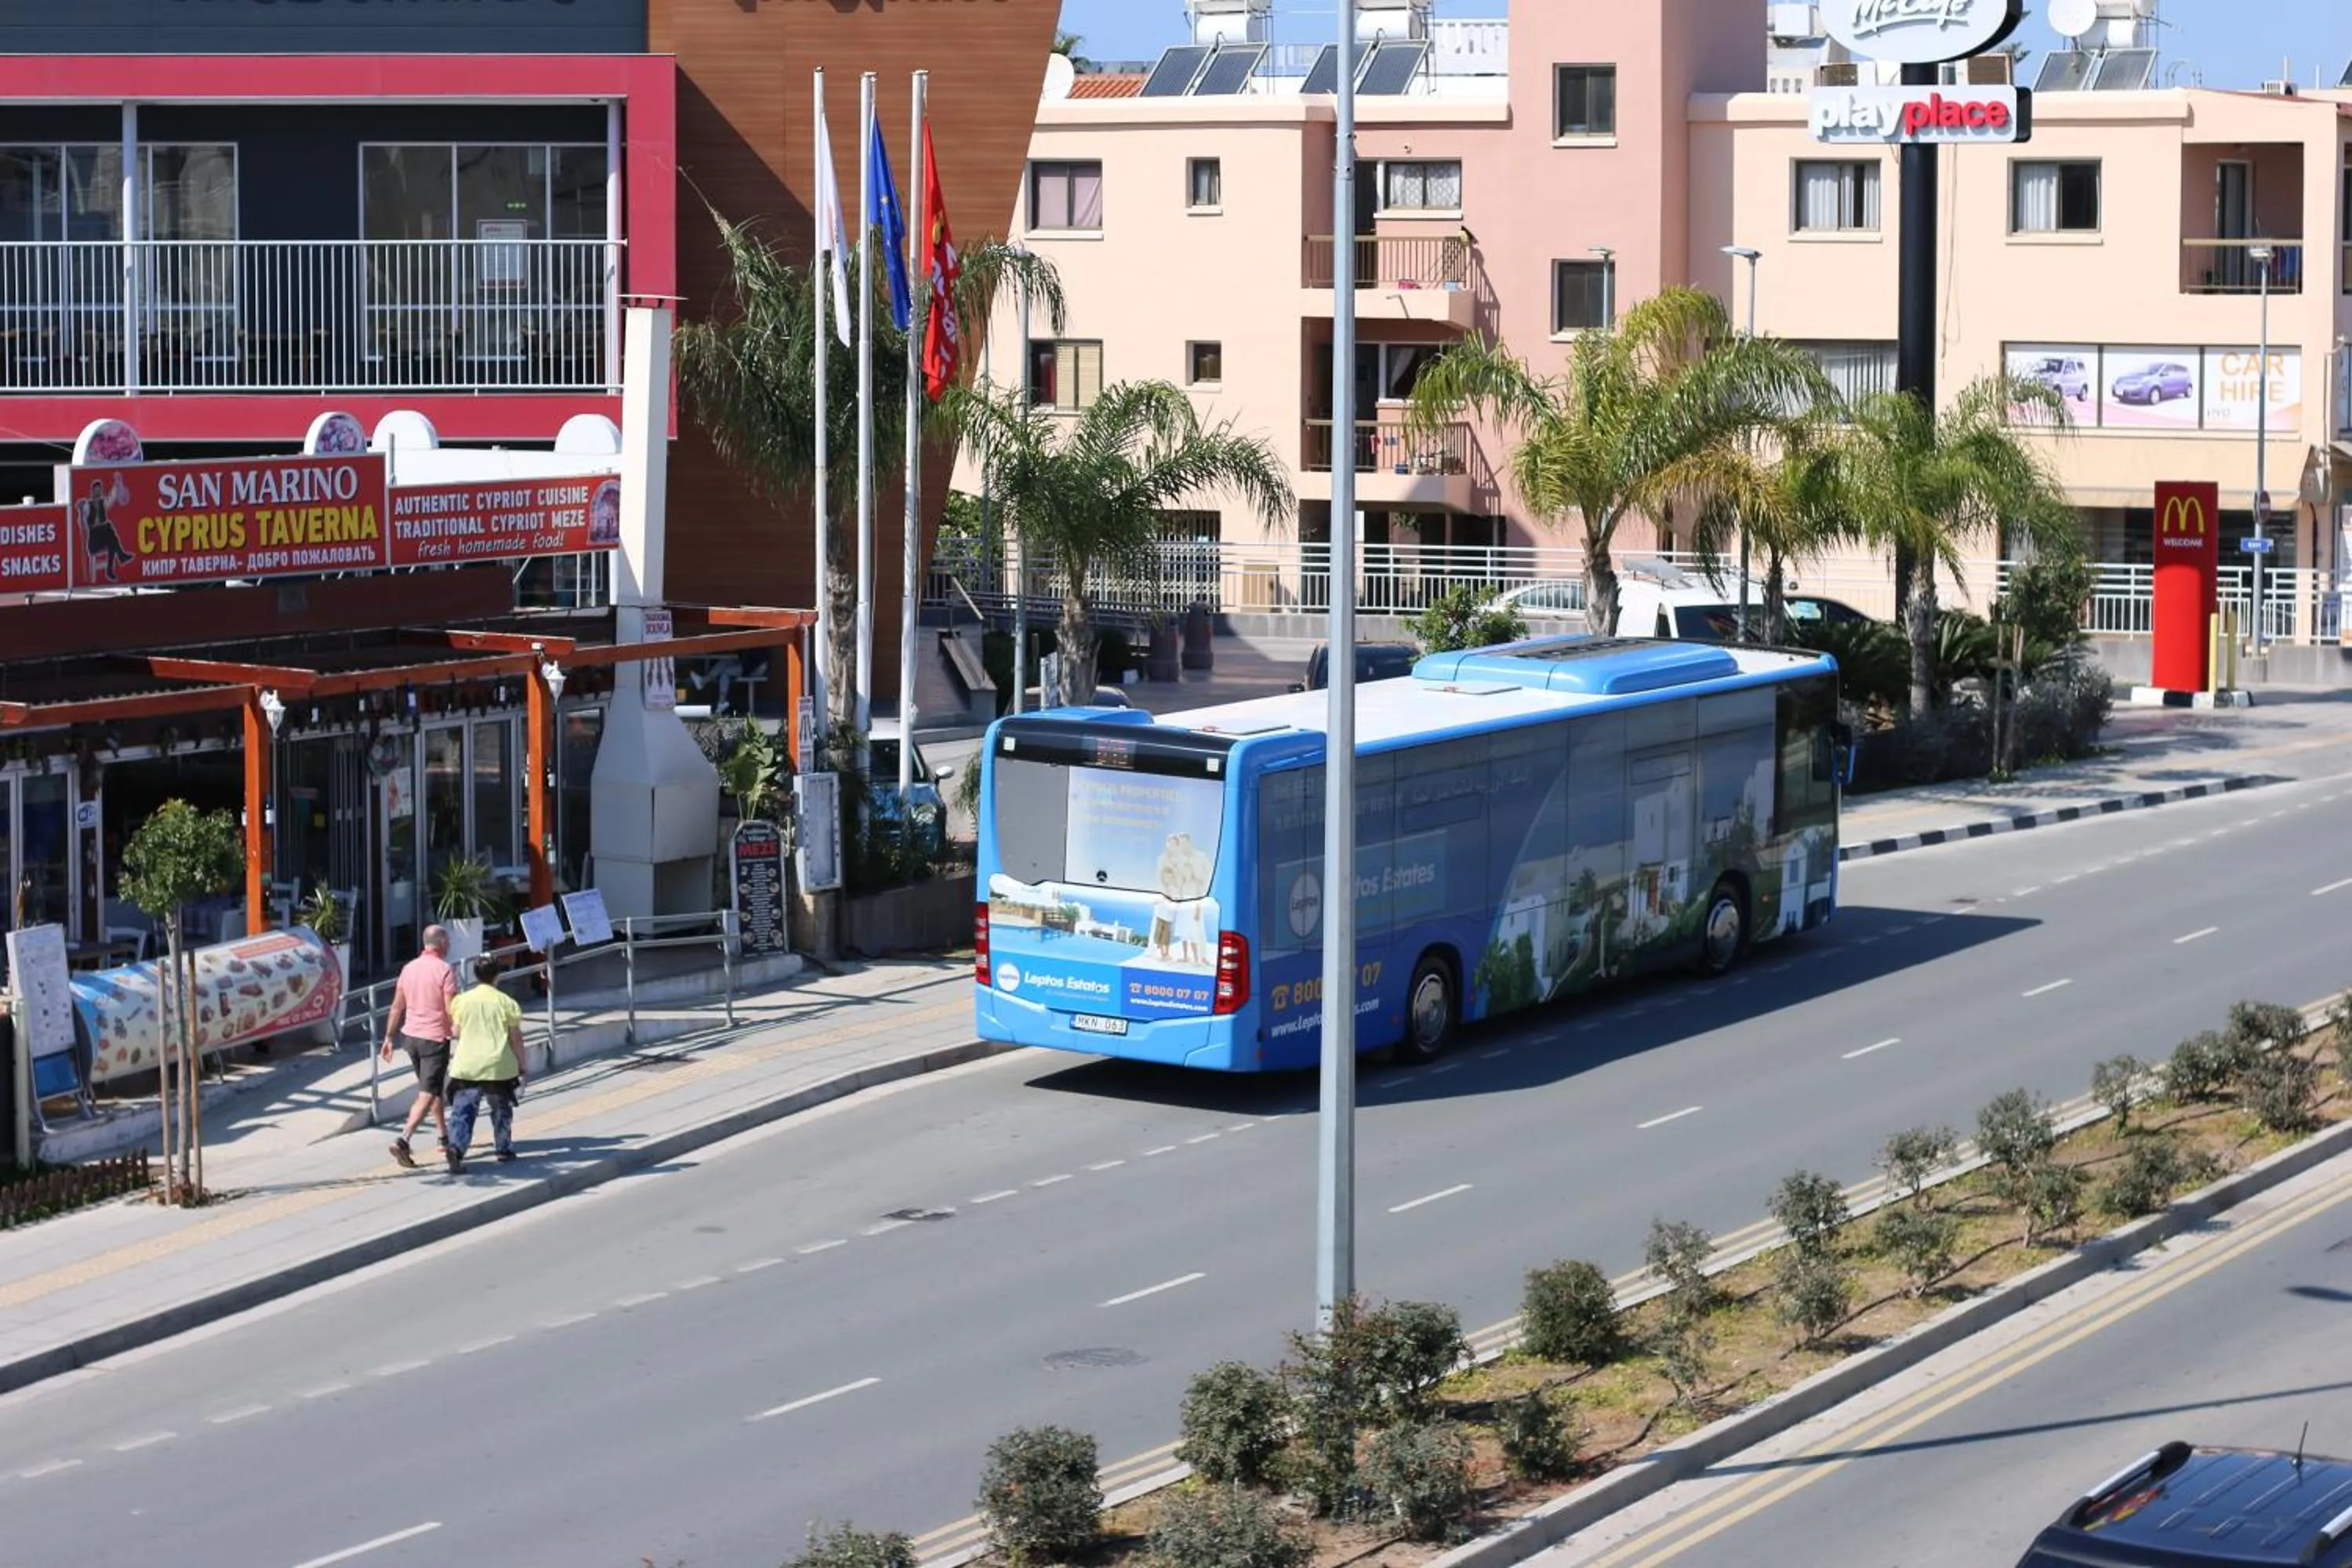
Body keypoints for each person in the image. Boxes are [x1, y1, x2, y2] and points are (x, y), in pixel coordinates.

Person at [380, 925, 458, 1170]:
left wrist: (389, 1037)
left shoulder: (408, 968)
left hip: (410, 1038)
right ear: (442, 943)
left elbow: (396, 1007)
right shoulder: (445, 970)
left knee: (431, 1088)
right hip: (434, 1039)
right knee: (427, 1092)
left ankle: (443, 1136)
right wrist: (458, 1029)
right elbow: (450, 1007)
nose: (450, 945)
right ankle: (404, 1138)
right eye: (448, 941)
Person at [443, 956, 527, 1174]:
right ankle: (503, 1148)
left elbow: (457, 1032)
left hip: (467, 1064)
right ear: (498, 975)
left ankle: (456, 1148)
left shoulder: (461, 1001)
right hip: (498, 1065)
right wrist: (522, 1065)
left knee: (463, 1110)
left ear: (475, 975)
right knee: (501, 1109)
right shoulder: (507, 1003)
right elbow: (516, 1038)